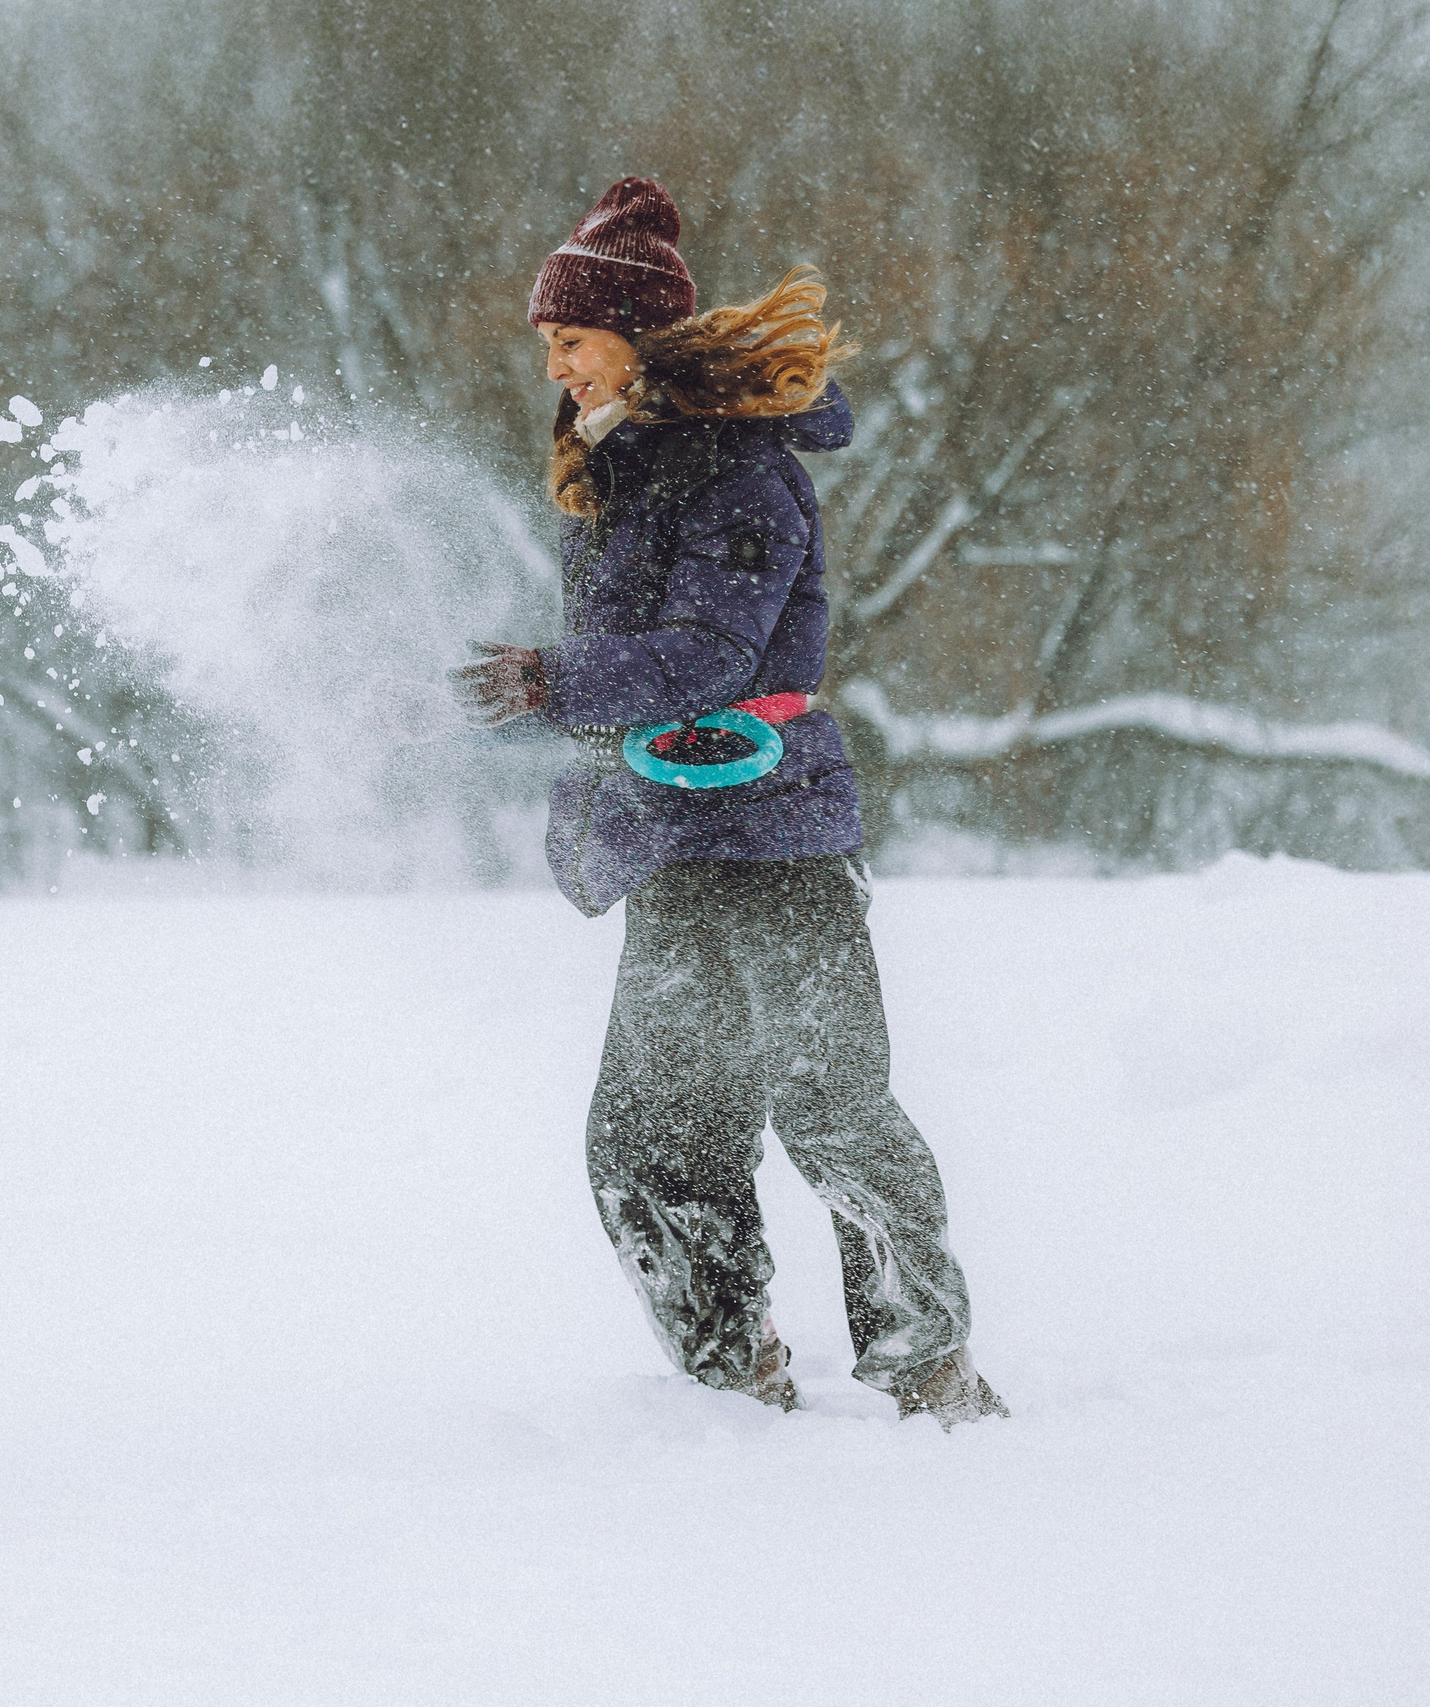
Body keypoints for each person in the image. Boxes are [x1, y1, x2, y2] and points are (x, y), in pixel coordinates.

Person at [454, 176, 1006, 1425]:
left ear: (638, 339)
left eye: (576, 341)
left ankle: (932, 1369)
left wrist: (547, 679)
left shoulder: (734, 475)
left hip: (773, 843)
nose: (560, 366)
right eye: (550, 345)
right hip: (673, 844)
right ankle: (729, 1384)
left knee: (830, 1106)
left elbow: (709, 652)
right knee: (651, 1138)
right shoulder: (622, 472)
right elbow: (629, 674)